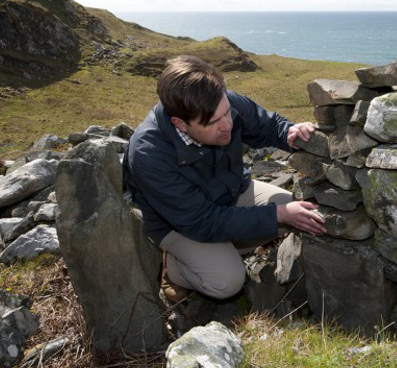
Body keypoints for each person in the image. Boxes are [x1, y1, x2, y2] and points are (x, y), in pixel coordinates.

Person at [123, 54, 327, 303]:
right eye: (213, 123)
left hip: (231, 192)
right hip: (179, 224)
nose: (227, 125)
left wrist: (291, 133)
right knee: (227, 280)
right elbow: (202, 221)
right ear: (180, 123)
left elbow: (268, 126)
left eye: (227, 113)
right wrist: (278, 214)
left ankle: (225, 248)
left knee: (300, 213)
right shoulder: (148, 155)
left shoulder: (221, 103)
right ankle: (174, 269)